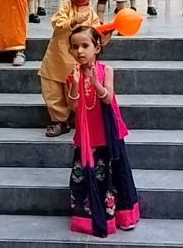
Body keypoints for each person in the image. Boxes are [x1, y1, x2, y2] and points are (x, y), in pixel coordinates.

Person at [67, 26, 139, 237]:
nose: (80, 51)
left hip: (107, 132)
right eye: (75, 47)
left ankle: (123, 215)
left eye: (85, 45)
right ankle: (87, 218)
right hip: (87, 134)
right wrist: (76, 84)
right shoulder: (72, 75)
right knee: (87, 175)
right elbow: (73, 105)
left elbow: (107, 98)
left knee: (115, 173)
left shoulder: (106, 70)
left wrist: (95, 83)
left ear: (97, 48)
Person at [39, 0, 106, 137]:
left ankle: (84, 119)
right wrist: (73, 21)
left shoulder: (92, 14)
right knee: (53, 91)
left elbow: (97, 38)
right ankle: (59, 121)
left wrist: (107, 33)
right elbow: (57, 23)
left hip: (78, 62)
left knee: (78, 91)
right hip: (57, 58)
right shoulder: (65, 7)